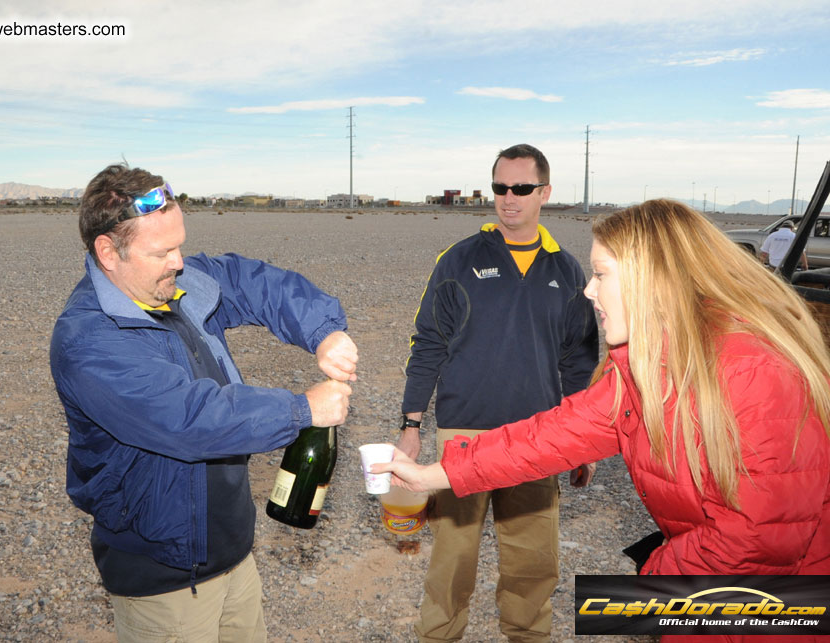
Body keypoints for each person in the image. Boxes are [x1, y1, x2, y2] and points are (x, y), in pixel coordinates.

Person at [375, 199, 830, 641]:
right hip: (716, 595)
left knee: (603, 606)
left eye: (601, 274)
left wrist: (653, 582)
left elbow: (758, 542)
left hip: (782, 609)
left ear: (654, 280)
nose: (589, 291)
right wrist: (431, 475)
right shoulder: (645, 363)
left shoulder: (753, 372)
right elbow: (551, 435)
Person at [49, 164, 357, 642]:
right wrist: (301, 410)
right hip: (164, 577)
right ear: (108, 252)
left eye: (180, 244)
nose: (178, 261)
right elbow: (187, 417)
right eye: (162, 251)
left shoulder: (171, 286)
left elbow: (253, 283)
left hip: (231, 550)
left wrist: (324, 332)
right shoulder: (89, 340)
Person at [396, 144, 599, 642]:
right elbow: (428, 345)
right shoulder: (459, 260)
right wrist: (411, 427)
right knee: (451, 562)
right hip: (464, 436)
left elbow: (579, 360)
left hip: (539, 437)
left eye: (522, 189)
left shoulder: (567, 270)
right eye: (500, 188)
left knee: (533, 566)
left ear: (545, 193)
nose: (509, 199)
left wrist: (582, 440)